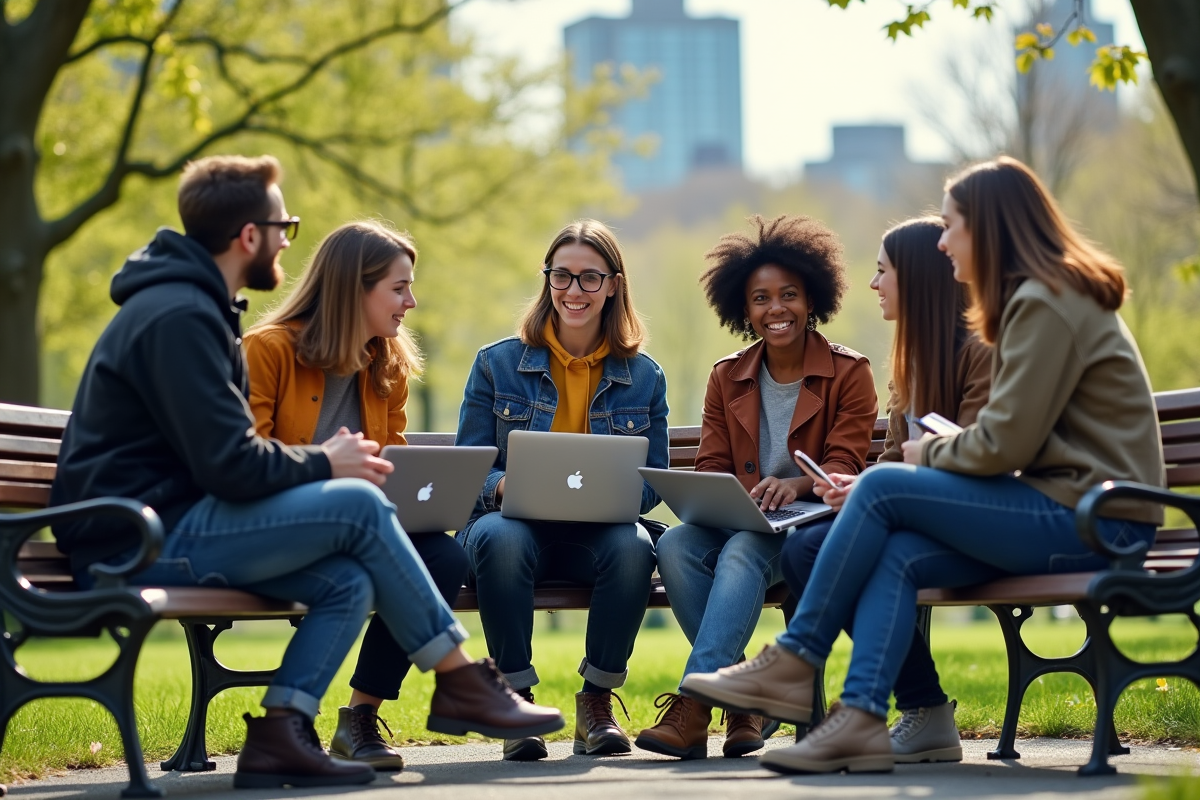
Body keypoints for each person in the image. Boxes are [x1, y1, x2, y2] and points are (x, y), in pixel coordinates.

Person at [48, 155, 563, 790]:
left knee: (347, 577)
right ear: (249, 236)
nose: (288, 241)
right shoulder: (179, 316)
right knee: (359, 505)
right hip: (135, 539)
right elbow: (230, 465)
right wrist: (327, 462)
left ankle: (281, 734)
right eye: (282, 225)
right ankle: (459, 680)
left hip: (171, 524)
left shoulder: (198, 309)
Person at [679, 156, 1166, 776]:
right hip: (1061, 509)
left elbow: (1003, 444)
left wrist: (919, 456)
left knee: (882, 487)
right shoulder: (1026, 304)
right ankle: (864, 717)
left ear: (989, 227)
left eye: (953, 224)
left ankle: (796, 658)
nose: (943, 240)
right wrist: (902, 467)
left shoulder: (1046, 302)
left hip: (1100, 518)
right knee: (894, 551)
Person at [635, 214, 877, 760]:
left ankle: (694, 703)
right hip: (745, 519)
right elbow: (713, 463)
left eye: (788, 295)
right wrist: (722, 496)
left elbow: (842, 464)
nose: (776, 309)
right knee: (673, 543)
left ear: (811, 299)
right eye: (761, 299)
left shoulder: (849, 373)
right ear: (743, 311)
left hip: (813, 527)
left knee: (744, 549)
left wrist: (797, 485)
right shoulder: (728, 376)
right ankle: (743, 706)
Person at [243, 220, 468, 772]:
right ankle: (461, 678)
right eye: (399, 288)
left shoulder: (386, 364)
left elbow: (394, 461)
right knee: (381, 555)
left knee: (443, 555)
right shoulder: (266, 351)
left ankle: (359, 716)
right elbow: (243, 465)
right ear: (353, 290)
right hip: (272, 529)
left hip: (354, 530)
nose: (411, 302)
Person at [779, 217, 991, 765]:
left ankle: (906, 706)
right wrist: (857, 485)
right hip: (917, 516)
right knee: (804, 546)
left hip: (977, 521)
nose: (873, 285)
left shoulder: (982, 352)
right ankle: (924, 710)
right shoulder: (912, 358)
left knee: (853, 552)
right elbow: (896, 459)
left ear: (917, 278)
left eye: (882, 272)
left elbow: (980, 459)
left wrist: (876, 484)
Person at [454, 219, 668, 762]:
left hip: (595, 537)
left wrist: (616, 496)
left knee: (635, 546)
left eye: (589, 278)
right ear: (547, 279)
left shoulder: (644, 377)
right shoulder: (496, 363)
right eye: (562, 276)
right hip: (511, 528)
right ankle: (515, 701)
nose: (573, 291)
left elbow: (653, 479)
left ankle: (596, 701)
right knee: (502, 539)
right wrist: (502, 486)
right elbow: (468, 467)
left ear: (614, 284)